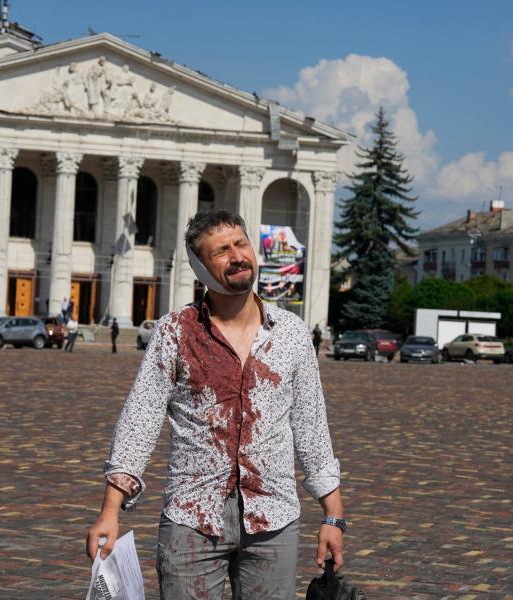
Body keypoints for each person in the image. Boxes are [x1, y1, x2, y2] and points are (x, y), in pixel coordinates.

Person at [86, 209, 345, 599]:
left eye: (240, 244)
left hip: (274, 522)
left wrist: (333, 516)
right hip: (191, 522)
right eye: (221, 251)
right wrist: (110, 511)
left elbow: (311, 426)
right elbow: (140, 421)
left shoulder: (290, 332)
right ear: (200, 269)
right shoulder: (175, 332)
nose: (237, 256)